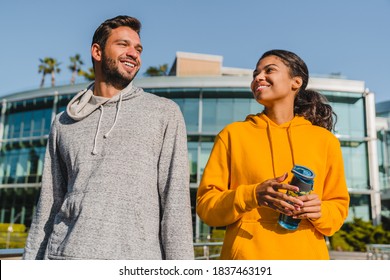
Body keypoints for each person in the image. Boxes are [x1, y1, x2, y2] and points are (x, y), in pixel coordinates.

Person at [23, 15, 194, 260]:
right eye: (123, 44)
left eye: (138, 49)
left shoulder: (164, 113)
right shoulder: (63, 122)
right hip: (65, 257)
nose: (134, 53)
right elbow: (49, 203)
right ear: (97, 51)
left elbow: (175, 205)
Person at [196, 49, 350, 260]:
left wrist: (321, 210)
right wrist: (253, 195)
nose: (258, 77)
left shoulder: (325, 141)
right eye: (255, 74)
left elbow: (338, 208)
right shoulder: (232, 135)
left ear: (296, 82)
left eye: (269, 70)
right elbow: (207, 208)